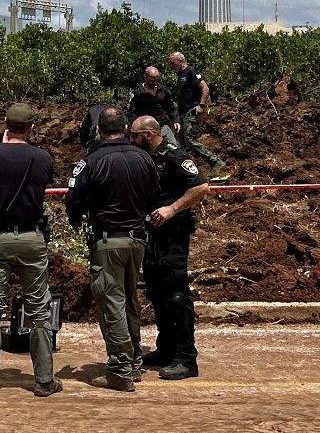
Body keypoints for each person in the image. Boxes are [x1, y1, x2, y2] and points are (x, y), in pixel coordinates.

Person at [0, 103, 59, 399]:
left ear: (6, 125)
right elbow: (41, 186)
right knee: (39, 308)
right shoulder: (42, 157)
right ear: (31, 128)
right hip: (33, 238)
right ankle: (44, 380)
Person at [64, 107, 158, 391]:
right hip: (137, 239)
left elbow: (74, 199)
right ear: (126, 128)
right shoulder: (145, 158)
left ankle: (119, 370)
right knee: (130, 299)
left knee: (112, 303)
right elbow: (154, 195)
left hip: (108, 241)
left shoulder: (92, 161)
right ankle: (133, 364)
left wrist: (76, 219)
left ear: (98, 130)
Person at [131, 115, 210, 380]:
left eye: (135, 135)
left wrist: (172, 209)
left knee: (176, 296)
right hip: (153, 236)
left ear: (148, 134)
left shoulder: (175, 156)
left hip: (173, 236)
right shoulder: (147, 158)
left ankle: (186, 359)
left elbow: (201, 186)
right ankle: (166, 349)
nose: (132, 140)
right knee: (157, 293)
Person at [168, 52, 224, 176]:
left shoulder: (190, 71)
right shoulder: (180, 75)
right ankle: (182, 171)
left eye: (172, 63)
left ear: (180, 61)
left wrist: (201, 105)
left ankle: (215, 161)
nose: (171, 66)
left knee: (189, 140)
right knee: (179, 144)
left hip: (190, 112)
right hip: (182, 114)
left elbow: (205, 87)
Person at [126, 66, 177, 131]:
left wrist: (176, 121)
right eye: (152, 81)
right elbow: (131, 112)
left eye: (156, 80)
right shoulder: (138, 93)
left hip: (162, 125)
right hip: (145, 128)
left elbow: (171, 107)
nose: (154, 83)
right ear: (145, 77)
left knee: (171, 141)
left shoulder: (163, 90)